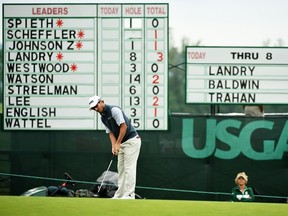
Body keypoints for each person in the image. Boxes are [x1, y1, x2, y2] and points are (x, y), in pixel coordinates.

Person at [89, 95, 141, 199]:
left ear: (101, 102)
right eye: (93, 108)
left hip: (132, 141)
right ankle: (120, 195)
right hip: (121, 143)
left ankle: (130, 195)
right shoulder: (103, 117)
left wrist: (118, 143)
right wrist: (114, 146)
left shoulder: (114, 110)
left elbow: (123, 127)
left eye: (96, 106)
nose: (95, 109)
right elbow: (111, 132)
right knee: (120, 169)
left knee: (129, 169)